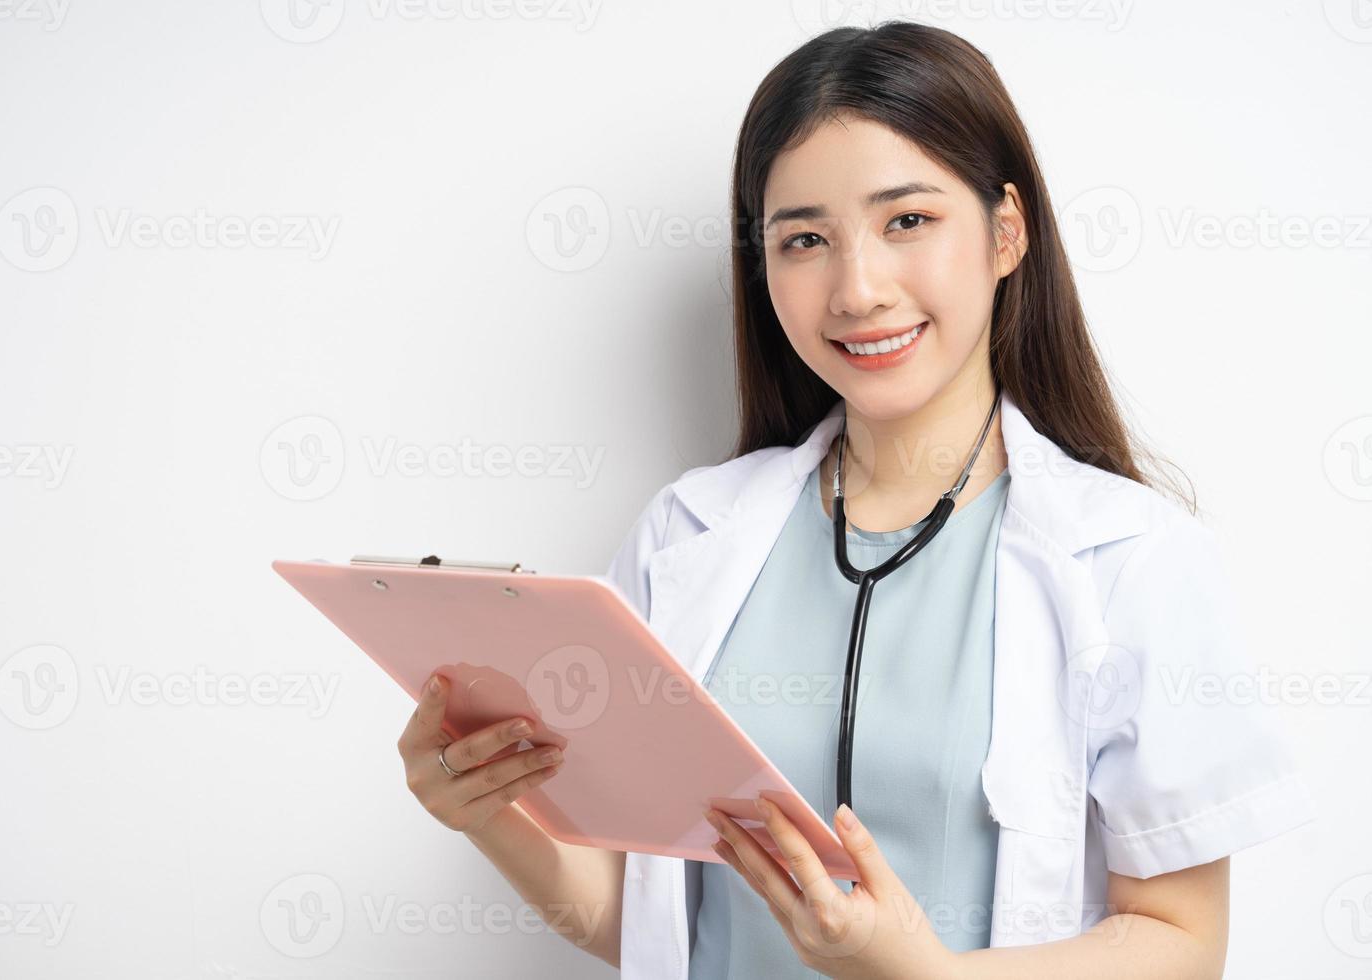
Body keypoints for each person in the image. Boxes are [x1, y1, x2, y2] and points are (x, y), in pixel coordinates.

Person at [396, 20, 1315, 980]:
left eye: (907, 221)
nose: (858, 287)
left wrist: (927, 974)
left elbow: (1182, 942)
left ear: (1007, 233)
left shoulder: (1131, 558)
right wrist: (487, 808)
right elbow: (646, 918)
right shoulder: (688, 533)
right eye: (805, 240)